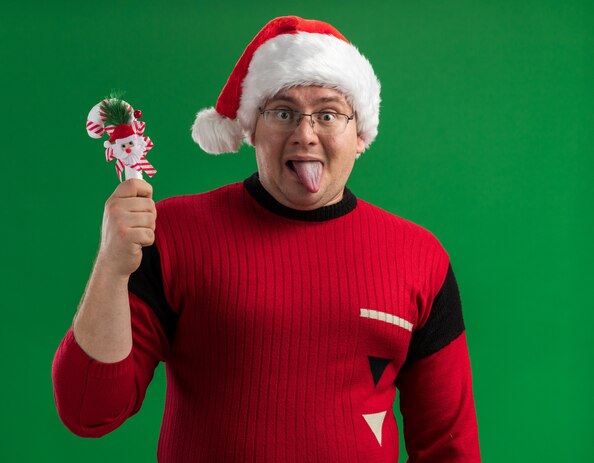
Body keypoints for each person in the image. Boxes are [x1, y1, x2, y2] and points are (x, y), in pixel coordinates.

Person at [52, 15, 481, 463]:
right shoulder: (174, 233)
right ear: (251, 128)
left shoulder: (419, 258)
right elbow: (89, 411)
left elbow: (449, 447)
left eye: (328, 113)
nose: (305, 134)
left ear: (360, 135)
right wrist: (111, 266)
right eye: (282, 112)